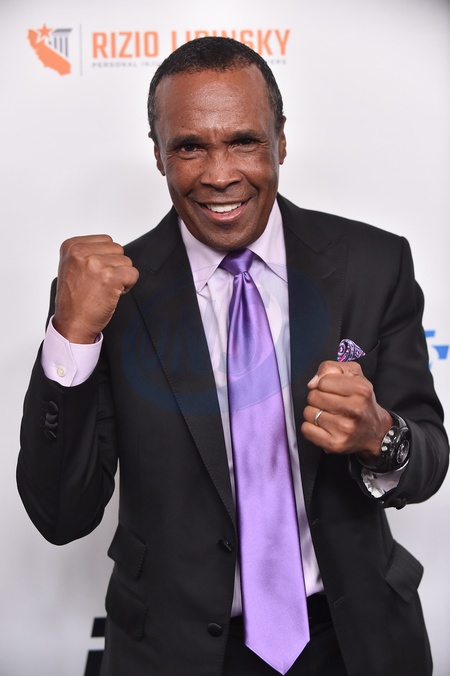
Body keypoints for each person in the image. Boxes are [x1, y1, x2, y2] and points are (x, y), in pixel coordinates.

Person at [18, 37, 448, 676]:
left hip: (355, 640)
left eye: (244, 141)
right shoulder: (109, 297)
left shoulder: (373, 264)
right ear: (159, 155)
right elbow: (61, 514)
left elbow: (427, 460)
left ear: (281, 141)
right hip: (175, 653)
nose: (219, 174)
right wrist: (71, 336)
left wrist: (379, 437)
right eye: (190, 147)